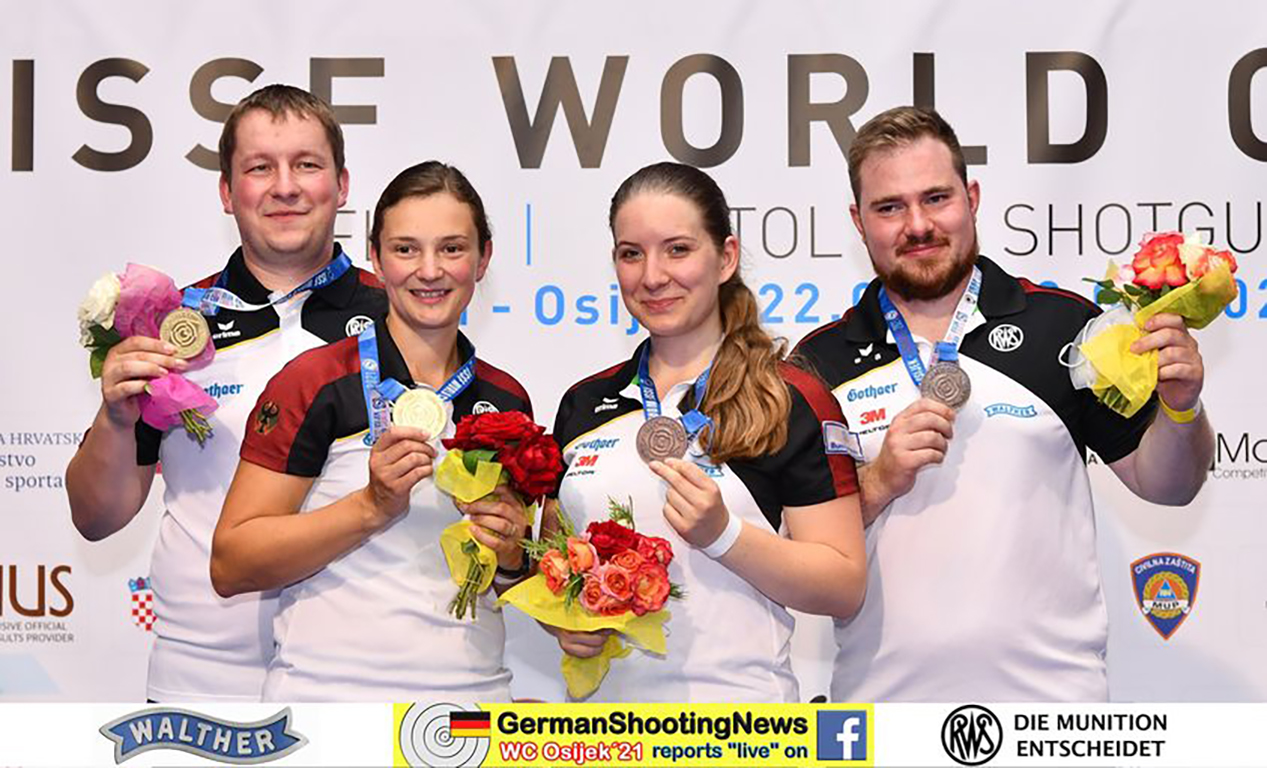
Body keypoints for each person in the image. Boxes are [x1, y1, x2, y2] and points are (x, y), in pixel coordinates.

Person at [793, 106, 1215, 702]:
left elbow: (1168, 485)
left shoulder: (1064, 327)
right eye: (890, 207)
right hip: (884, 715)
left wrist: (1181, 409)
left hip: (1053, 717)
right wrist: (880, 480)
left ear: (971, 197)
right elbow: (796, 554)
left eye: (936, 198)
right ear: (858, 222)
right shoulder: (817, 364)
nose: (917, 225)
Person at [65, 85, 386, 702]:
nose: (284, 186)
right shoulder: (173, 325)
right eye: (259, 167)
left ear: (342, 185)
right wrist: (114, 417)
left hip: (354, 682)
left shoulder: (394, 320)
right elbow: (97, 517)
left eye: (307, 165)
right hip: (201, 684)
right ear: (226, 191)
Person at [210, 161, 533, 702]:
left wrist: (511, 556)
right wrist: (371, 506)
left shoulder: (505, 400)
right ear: (376, 259)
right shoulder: (314, 381)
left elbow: (520, 582)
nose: (429, 270)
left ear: (484, 259)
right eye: (406, 249)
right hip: (328, 708)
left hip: (470, 705)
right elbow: (232, 563)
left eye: (452, 248)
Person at [543, 161, 866, 702]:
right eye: (631, 253)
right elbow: (554, 558)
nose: (652, 276)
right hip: (604, 737)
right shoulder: (583, 404)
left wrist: (724, 534)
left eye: (677, 248)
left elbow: (844, 585)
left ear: (726, 257)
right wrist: (562, 618)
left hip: (742, 734)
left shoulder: (787, 397)